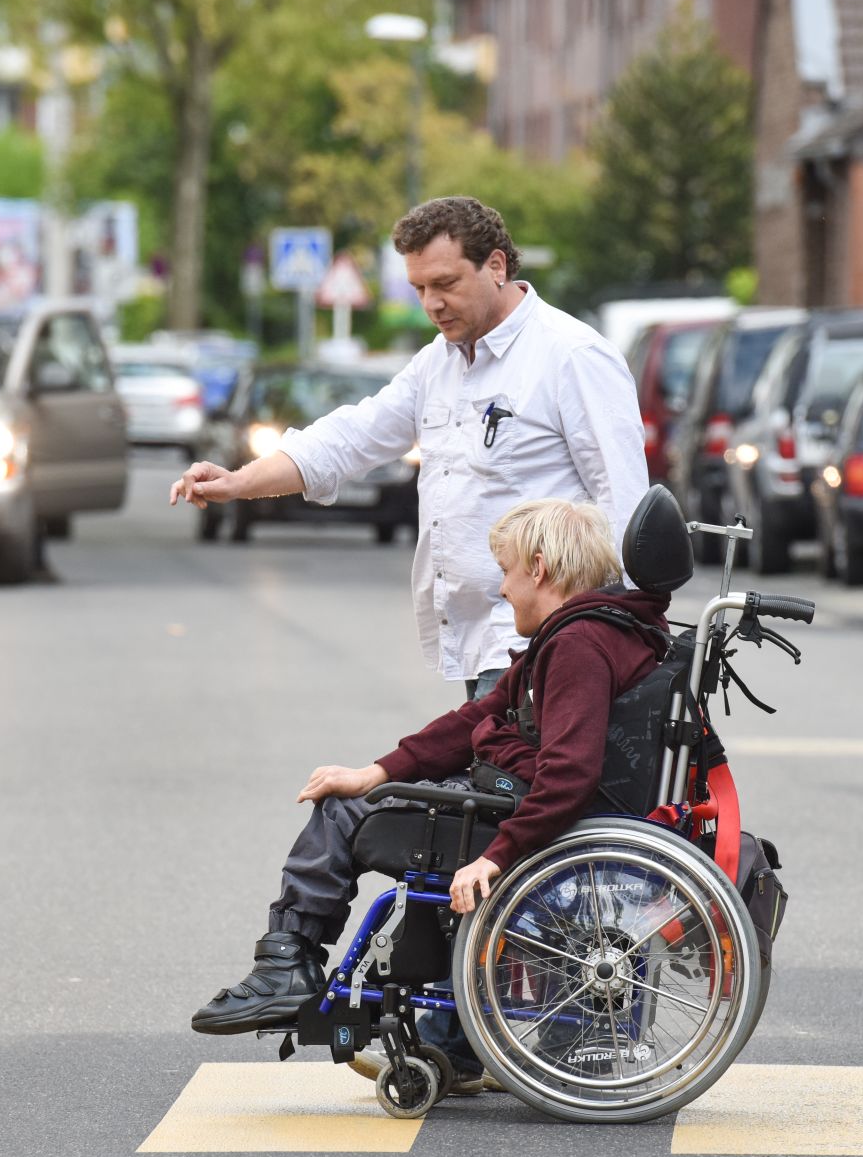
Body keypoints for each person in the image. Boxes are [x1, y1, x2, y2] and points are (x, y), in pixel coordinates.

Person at [190, 499, 673, 1076]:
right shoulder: (597, 630)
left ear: (539, 569)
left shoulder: (579, 645)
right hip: (537, 806)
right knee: (363, 795)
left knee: (344, 813)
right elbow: (476, 720)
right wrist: (377, 771)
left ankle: (287, 966)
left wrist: (495, 857)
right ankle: (434, 1032)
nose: (502, 589)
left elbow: (569, 774)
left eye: (506, 571)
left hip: (538, 821)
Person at [171, 196, 647, 699]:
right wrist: (237, 482)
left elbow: (625, 500)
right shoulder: (437, 363)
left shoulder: (572, 355)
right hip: (483, 641)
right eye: (419, 288)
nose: (431, 304)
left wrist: (625, 633)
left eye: (445, 284)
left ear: (496, 266)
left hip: (552, 644)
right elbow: (348, 439)